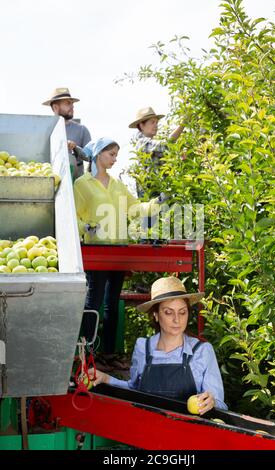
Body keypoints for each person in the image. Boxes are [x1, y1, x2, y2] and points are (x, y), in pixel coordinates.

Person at [73, 137, 164, 369]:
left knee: (112, 305)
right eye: (111, 154)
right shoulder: (82, 184)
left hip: (119, 250)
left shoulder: (117, 185)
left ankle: (109, 354)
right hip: (96, 250)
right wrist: (86, 228)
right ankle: (88, 354)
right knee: (92, 304)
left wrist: (156, 203)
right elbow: (74, 216)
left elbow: (135, 209)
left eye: (116, 155)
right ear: (98, 155)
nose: (115, 159)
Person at [88, 276, 227, 414]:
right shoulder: (143, 348)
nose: (177, 319)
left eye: (182, 312)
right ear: (155, 314)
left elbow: (220, 406)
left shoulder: (201, 351)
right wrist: (106, 378)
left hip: (187, 434)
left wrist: (211, 402)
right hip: (146, 430)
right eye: (168, 312)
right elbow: (135, 392)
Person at [129, 106, 185, 198]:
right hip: (152, 196)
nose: (156, 125)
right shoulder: (142, 142)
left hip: (162, 193)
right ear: (141, 125)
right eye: (152, 122)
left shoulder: (152, 144)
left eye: (156, 122)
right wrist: (183, 123)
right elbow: (166, 144)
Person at [42, 87, 91, 180]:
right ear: (56, 107)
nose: (72, 106)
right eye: (68, 103)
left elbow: (91, 157)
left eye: (72, 103)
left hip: (76, 183)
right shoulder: (44, 131)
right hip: (49, 180)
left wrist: (75, 148)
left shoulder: (82, 130)